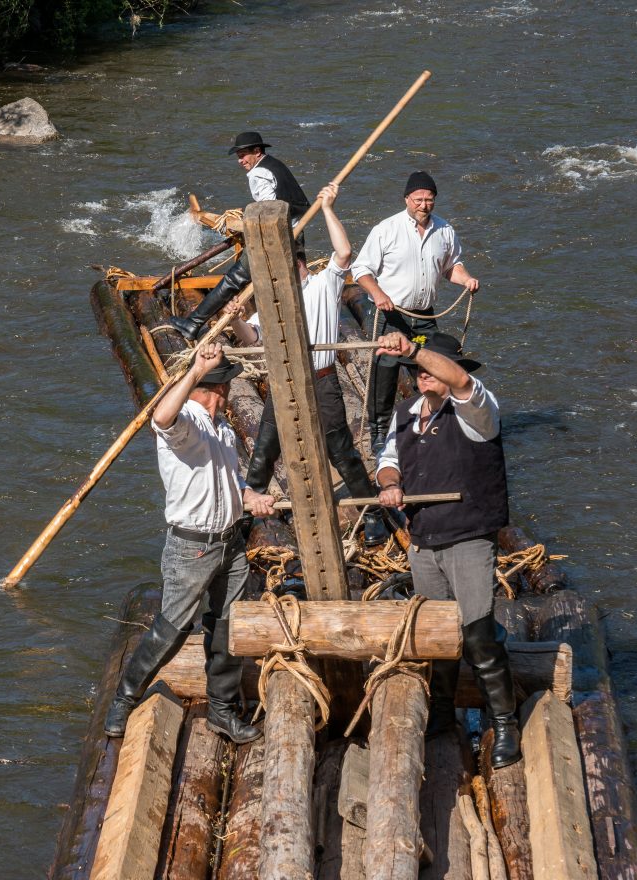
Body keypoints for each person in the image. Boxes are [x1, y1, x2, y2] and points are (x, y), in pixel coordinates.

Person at [103, 343, 277, 744]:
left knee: (227, 625)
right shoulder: (187, 426)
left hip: (230, 541)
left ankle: (222, 709)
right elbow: (160, 417)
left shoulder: (223, 430)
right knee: (174, 626)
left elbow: (229, 482)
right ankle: (125, 698)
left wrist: (250, 497)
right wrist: (196, 370)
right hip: (193, 547)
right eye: (227, 386)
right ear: (216, 389)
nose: (231, 392)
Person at [373, 330, 521, 768]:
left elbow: (458, 382)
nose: (424, 376)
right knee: (436, 633)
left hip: (469, 536)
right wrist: (391, 486)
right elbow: (387, 463)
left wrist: (415, 350)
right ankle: (442, 711)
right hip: (424, 540)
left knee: (477, 633)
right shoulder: (405, 413)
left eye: (430, 368)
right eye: (418, 371)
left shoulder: (477, 409)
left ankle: (505, 721)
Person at [223, 182, 389, 547]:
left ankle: (372, 511)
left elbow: (343, 252)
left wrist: (327, 207)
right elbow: (253, 340)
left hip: (321, 378)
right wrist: (235, 317)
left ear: (295, 263)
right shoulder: (271, 299)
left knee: (341, 451)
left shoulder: (322, 285)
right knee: (265, 450)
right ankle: (248, 511)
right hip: (283, 384)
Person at [351, 171, 481, 452]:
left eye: (429, 200)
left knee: (432, 366)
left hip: (424, 316)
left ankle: (437, 420)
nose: (424, 205)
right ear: (406, 199)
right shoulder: (386, 229)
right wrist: (378, 294)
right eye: (418, 199)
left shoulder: (444, 230)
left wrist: (466, 279)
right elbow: (360, 269)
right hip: (390, 314)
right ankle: (379, 432)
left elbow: (451, 267)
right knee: (385, 370)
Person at [169, 132, 311, 341]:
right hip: (296, 231)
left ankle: (193, 323)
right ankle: (307, 325)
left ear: (257, 151)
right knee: (299, 279)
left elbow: (269, 212)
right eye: (238, 156)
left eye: (244, 155)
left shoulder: (258, 174)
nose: (241, 161)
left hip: (276, 238)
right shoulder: (275, 165)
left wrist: (246, 227)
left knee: (234, 279)